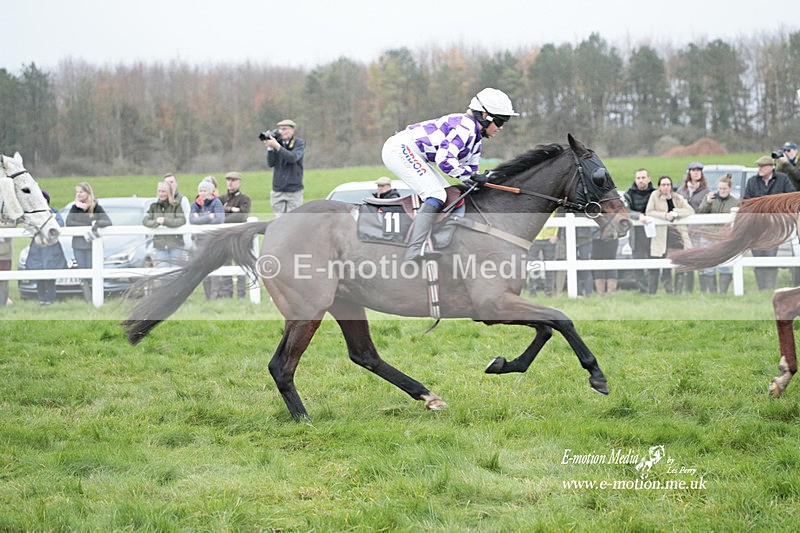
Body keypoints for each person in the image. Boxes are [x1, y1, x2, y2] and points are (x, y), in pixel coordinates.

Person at [382, 87, 518, 262]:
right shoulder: (465, 126)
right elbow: (445, 160)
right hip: (399, 149)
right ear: (485, 116)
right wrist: (469, 176)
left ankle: (440, 240)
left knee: (451, 196)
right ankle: (413, 250)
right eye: (499, 122)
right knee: (436, 194)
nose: (500, 128)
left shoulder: (476, 140)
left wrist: (488, 182)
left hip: (414, 153)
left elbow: (472, 176)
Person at [743, 155, 796, 290]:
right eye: (759, 166)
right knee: (758, 257)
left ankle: (769, 288)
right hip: (757, 226)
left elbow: (792, 198)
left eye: (763, 166)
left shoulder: (783, 179)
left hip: (775, 226)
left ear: (771, 167)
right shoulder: (752, 181)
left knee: (770, 256)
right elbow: (746, 202)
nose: (759, 169)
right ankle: (762, 289)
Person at [645, 175, 694, 294]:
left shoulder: (677, 197)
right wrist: (665, 215)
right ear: (659, 186)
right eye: (663, 185)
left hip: (677, 234)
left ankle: (678, 291)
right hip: (662, 235)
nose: (666, 187)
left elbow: (690, 210)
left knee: (679, 261)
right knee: (663, 261)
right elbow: (649, 211)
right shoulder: (655, 196)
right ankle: (668, 290)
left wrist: (676, 212)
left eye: (668, 185)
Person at [65, 182, 112, 301]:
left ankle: (97, 297)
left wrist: (96, 224)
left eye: (81, 192)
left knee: (93, 272)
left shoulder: (96, 207)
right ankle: (88, 299)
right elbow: (69, 222)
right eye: (77, 192)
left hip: (92, 245)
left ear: (88, 193)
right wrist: (87, 225)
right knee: (83, 274)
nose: (78, 194)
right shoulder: (74, 207)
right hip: (78, 245)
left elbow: (107, 221)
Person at [695, 174, 741, 293]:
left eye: (724, 189)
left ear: (730, 188)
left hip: (724, 237)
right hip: (708, 235)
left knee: (724, 265)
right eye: (719, 188)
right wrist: (708, 203)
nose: (721, 191)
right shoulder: (709, 197)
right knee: (709, 265)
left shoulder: (735, 202)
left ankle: (723, 292)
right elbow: (700, 214)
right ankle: (713, 292)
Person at [26, 190, 67, 305]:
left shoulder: (53, 212)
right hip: (38, 248)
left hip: (51, 248)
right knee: (39, 275)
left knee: (50, 275)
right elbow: (29, 228)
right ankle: (41, 299)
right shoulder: (32, 214)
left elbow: (60, 224)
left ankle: (50, 299)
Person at [676, 162, 710, 293]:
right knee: (687, 259)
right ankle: (688, 289)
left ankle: (703, 289)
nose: (696, 173)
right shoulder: (681, 191)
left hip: (699, 229)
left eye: (698, 170)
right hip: (684, 230)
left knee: (701, 258)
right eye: (693, 170)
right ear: (689, 173)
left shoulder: (706, 191)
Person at [219, 171, 252, 298]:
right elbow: (217, 213)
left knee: (240, 266)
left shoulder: (244, 199)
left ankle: (241, 294)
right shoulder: (221, 199)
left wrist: (227, 210)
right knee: (225, 266)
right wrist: (234, 210)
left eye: (233, 180)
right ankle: (227, 293)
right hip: (225, 238)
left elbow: (242, 216)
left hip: (239, 238)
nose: (230, 183)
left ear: (239, 182)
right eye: (228, 180)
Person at [624, 168, 657, 294]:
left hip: (654, 233)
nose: (641, 180)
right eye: (638, 178)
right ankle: (642, 289)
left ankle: (652, 290)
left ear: (649, 179)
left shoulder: (655, 193)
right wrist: (639, 216)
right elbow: (627, 211)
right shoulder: (629, 194)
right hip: (636, 234)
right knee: (637, 260)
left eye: (643, 178)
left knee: (653, 260)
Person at [191, 178, 224, 299]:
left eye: (205, 190)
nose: (202, 193)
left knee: (214, 266)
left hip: (213, 240)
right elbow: (192, 221)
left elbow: (219, 219)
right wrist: (209, 217)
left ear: (210, 192)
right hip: (200, 240)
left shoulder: (216, 203)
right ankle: (207, 294)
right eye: (200, 190)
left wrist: (200, 219)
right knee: (203, 267)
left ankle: (214, 294)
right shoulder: (195, 204)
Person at [264, 119, 305, 217]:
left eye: (284, 129)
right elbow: (271, 163)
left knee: (294, 221)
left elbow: (292, 157)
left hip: (294, 190)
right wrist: (270, 148)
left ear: (292, 130)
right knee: (279, 221)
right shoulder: (277, 142)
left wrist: (277, 147)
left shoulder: (299, 143)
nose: (282, 132)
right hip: (278, 189)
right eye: (280, 129)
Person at [142, 180, 186, 265]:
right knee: (162, 271)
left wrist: (165, 221)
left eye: (163, 191)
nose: (161, 194)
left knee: (175, 272)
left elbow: (181, 220)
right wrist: (157, 222)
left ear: (169, 192)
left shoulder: (176, 206)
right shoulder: (154, 206)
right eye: (159, 191)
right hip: (160, 245)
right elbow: (145, 221)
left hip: (175, 244)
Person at [527, 214, 558, 297]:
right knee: (533, 266)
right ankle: (532, 291)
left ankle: (549, 292)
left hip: (550, 238)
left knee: (550, 266)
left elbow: (557, 218)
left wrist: (555, 234)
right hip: (535, 238)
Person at [591, 226, 619, 296]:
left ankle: (611, 292)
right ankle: (600, 292)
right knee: (598, 262)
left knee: (611, 261)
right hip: (596, 235)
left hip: (611, 234)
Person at [0, 218, 13, 306]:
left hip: (4, 254)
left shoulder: (6, 213)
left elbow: (12, 225)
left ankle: (2, 304)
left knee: (4, 281)